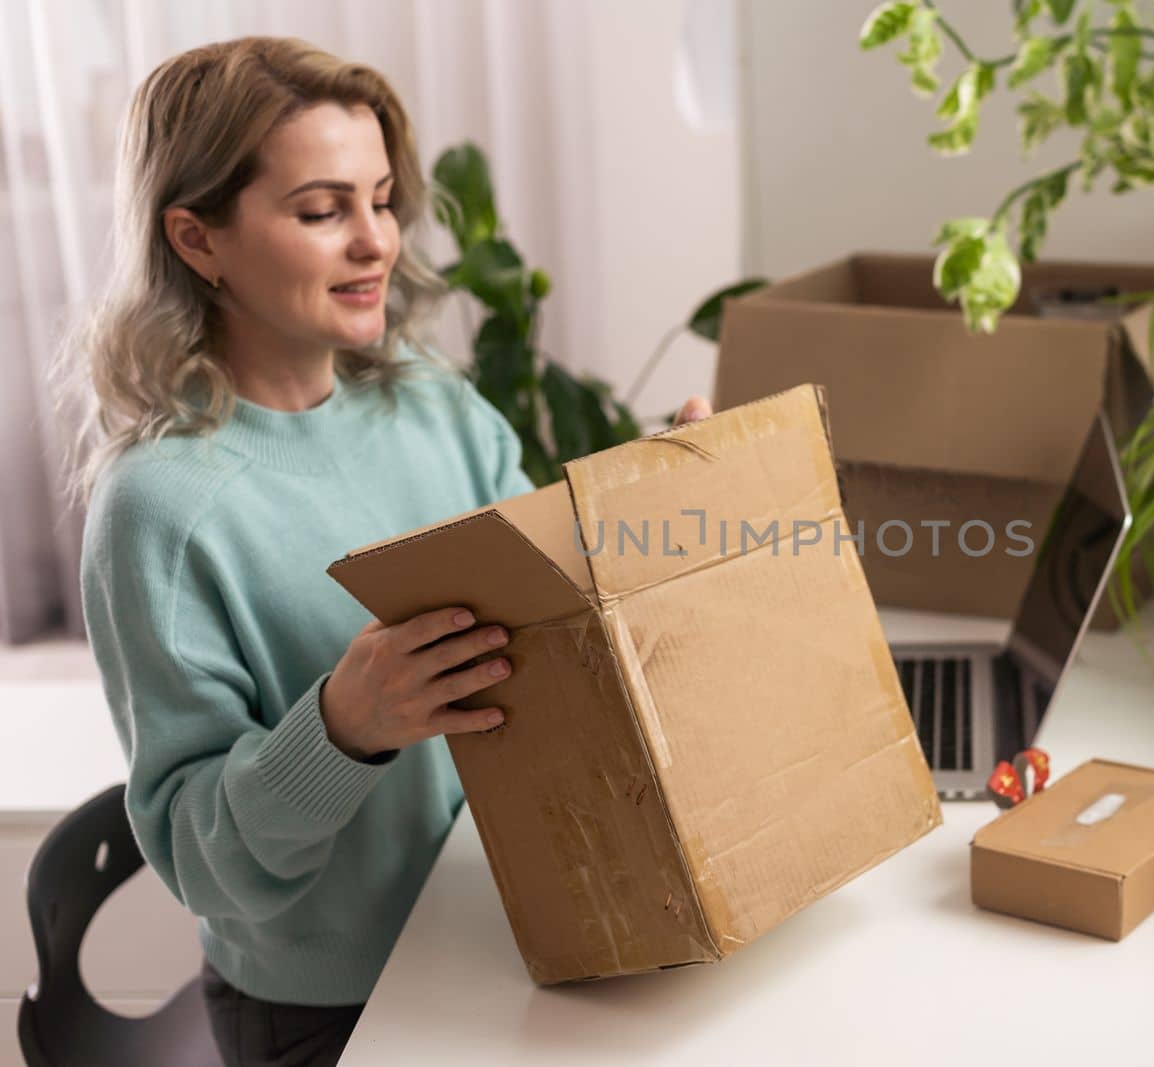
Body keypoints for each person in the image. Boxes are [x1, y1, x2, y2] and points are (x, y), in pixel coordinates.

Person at [65, 36, 710, 1067]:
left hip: (492, 914)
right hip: (335, 1003)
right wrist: (341, 728)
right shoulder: (158, 508)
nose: (377, 242)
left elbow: (544, 624)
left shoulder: (425, 398)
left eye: (379, 198)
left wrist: (656, 517)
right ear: (198, 240)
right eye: (321, 211)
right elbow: (199, 860)